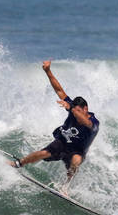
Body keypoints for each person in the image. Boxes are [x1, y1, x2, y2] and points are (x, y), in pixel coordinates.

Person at [12, 60, 99, 188]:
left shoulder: (94, 123)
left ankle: (65, 186)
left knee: (76, 160)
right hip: (62, 143)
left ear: (86, 109)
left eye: (78, 111)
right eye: (75, 111)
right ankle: (19, 163)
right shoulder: (73, 108)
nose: (76, 114)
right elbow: (59, 90)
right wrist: (47, 71)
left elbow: (85, 121)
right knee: (43, 153)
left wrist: (72, 108)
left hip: (77, 151)